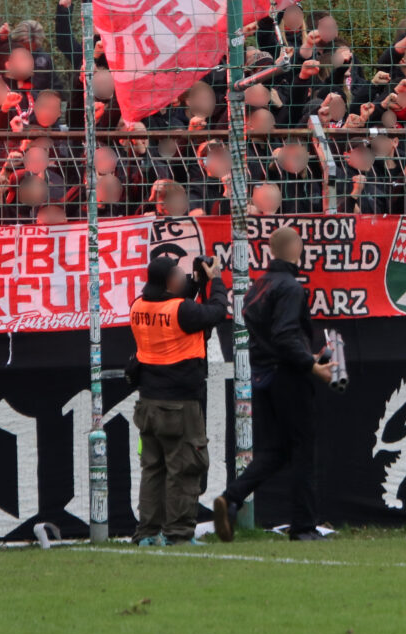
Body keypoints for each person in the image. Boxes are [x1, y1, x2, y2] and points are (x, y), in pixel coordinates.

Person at [213, 227, 334, 542]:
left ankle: (231, 498)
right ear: (297, 249)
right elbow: (284, 336)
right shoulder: (290, 287)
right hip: (288, 377)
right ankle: (303, 527)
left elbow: (272, 337)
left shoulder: (258, 286)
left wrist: (306, 355)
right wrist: (312, 365)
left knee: (276, 451)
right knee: (303, 450)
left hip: (264, 377)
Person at [129, 254, 229, 547]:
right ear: (168, 282)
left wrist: (196, 283)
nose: (182, 277)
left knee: (153, 469)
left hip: (148, 402)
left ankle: (148, 533)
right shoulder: (181, 311)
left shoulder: (138, 305)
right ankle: (179, 534)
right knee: (185, 468)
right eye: (178, 274)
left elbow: (177, 306)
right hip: (180, 404)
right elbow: (216, 311)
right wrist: (216, 280)